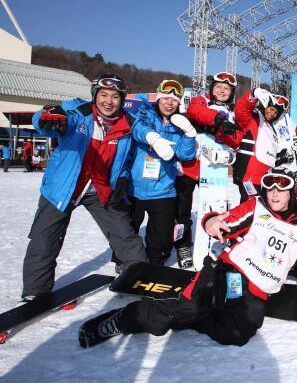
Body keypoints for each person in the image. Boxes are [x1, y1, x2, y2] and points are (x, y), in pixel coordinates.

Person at [78, 168, 297, 348]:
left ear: (291, 192)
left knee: (237, 334)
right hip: (233, 275)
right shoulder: (256, 207)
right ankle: (122, 320)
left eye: (282, 188)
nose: (275, 194)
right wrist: (211, 222)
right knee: (185, 309)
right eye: (270, 188)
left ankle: (194, 316)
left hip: (257, 292)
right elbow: (225, 221)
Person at [21, 73, 146, 301]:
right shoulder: (79, 113)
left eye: (115, 97)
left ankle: (140, 277)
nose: (109, 101)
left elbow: (125, 159)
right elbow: (47, 121)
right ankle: (35, 291)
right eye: (104, 95)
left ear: (121, 100)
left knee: (125, 235)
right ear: (95, 95)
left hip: (100, 189)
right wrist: (46, 115)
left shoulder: (127, 124)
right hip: (63, 188)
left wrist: (122, 179)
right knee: (44, 240)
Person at [125, 80, 197, 265]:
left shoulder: (179, 124)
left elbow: (186, 155)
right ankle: (124, 262)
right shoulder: (144, 114)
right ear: (157, 99)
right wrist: (153, 138)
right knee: (127, 229)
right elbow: (135, 128)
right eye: (165, 98)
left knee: (161, 235)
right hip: (134, 187)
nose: (169, 103)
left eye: (174, 100)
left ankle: (156, 263)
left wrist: (189, 133)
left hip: (163, 189)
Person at [177, 71, 240, 268]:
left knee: (216, 208)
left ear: (232, 93)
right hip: (190, 166)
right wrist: (218, 121)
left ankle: (215, 244)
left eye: (226, 89)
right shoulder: (201, 100)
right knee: (182, 210)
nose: (222, 91)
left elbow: (237, 138)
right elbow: (195, 112)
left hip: (214, 168)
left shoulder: (234, 112)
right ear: (212, 88)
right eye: (218, 87)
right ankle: (183, 245)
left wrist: (225, 140)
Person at [233, 88, 293, 202]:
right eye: (271, 109)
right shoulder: (254, 118)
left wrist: (281, 158)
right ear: (265, 106)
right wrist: (252, 94)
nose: (272, 113)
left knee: (262, 210)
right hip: (250, 177)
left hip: (265, 179)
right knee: (249, 208)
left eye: (276, 112)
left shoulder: (272, 130)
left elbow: (267, 155)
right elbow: (241, 111)